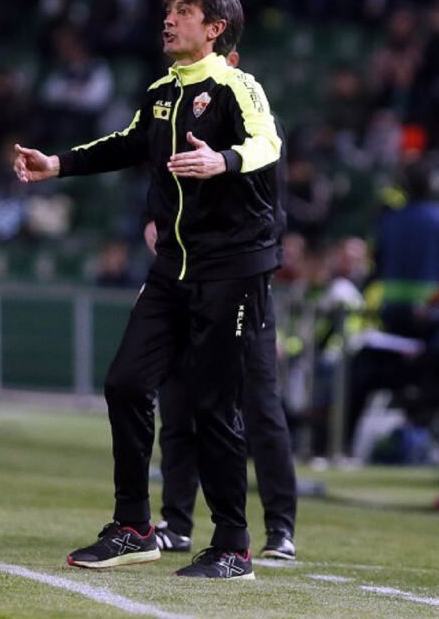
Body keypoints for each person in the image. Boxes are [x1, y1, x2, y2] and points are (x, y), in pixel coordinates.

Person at [14, 0, 282, 579]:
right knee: (126, 383)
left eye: (183, 12)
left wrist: (224, 160)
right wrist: (57, 164)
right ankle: (134, 526)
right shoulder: (164, 91)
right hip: (174, 269)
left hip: (232, 268)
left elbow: (268, 144)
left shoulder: (238, 86)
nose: (168, 21)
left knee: (215, 405)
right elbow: (130, 142)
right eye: (168, 11)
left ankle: (234, 545)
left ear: (214, 29)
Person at [145, 47, 298, 558]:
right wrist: (158, 226)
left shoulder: (252, 132)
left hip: (240, 285)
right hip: (191, 282)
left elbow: (267, 208)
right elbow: (163, 190)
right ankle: (177, 522)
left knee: (257, 404)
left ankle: (280, 528)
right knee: (180, 402)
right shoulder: (184, 121)